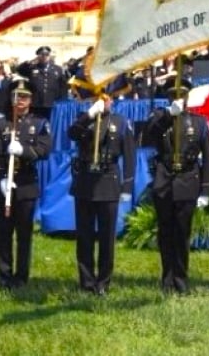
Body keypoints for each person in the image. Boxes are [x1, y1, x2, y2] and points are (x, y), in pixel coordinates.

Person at [142, 80, 209, 294]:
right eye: (173, 95)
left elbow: (208, 158)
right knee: (165, 232)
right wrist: (167, 116)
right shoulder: (159, 118)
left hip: (187, 180)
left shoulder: (199, 123)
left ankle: (181, 279)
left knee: (182, 233)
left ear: (188, 98)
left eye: (181, 95)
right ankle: (167, 278)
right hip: (164, 181)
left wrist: (206, 190)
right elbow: (148, 136)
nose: (178, 99)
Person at [67, 94, 135, 295]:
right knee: (84, 236)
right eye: (98, 98)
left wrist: (127, 187)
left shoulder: (121, 122)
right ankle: (86, 282)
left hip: (108, 181)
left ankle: (103, 282)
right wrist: (89, 115)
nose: (103, 102)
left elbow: (130, 156)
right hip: (86, 181)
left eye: (106, 99)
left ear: (112, 101)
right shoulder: (84, 118)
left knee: (107, 237)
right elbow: (71, 134)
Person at [0, 79, 52, 290]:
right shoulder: (1, 124)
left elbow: (44, 151)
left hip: (26, 185)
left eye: (24, 97)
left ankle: (21, 277)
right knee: (3, 233)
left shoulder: (40, 124)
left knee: (24, 234)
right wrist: (1, 179)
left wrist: (23, 150)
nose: (20, 101)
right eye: (16, 96)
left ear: (31, 100)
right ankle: (5, 276)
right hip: (5, 186)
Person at [16, 46, 68, 119]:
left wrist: (62, 102)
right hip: (36, 103)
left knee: (50, 125)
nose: (44, 56)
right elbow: (19, 70)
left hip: (52, 103)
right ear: (38, 56)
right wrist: (30, 62)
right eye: (42, 54)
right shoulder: (32, 68)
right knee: (35, 124)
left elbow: (63, 86)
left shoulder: (58, 69)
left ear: (49, 55)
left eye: (46, 54)